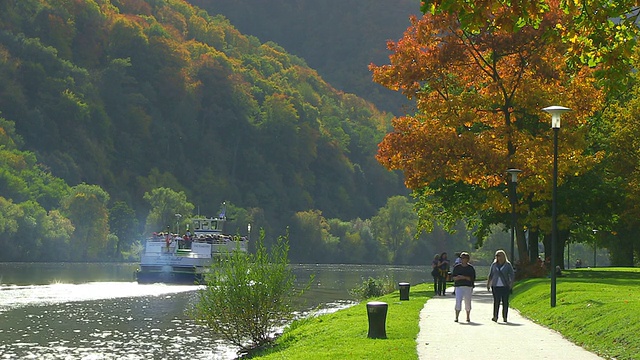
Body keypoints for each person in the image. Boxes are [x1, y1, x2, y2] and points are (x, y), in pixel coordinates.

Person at [486, 249, 515, 323]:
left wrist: (511, 284)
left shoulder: (508, 265)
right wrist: (488, 283)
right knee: (496, 301)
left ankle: (505, 317)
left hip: (505, 286)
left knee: (505, 302)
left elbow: (512, 275)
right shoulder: (494, 264)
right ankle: (495, 316)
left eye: (499, 255)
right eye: (496, 256)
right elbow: (491, 274)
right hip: (495, 286)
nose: (497, 257)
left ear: (503, 256)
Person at [452, 252, 475, 322]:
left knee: (467, 302)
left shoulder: (470, 268)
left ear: (467, 259)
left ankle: (468, 316)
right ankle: (456, 317)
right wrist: (459, 278)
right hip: (459, 286)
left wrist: (463, 277)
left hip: (468, 287)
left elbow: (471, 279)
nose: (463, 260)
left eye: (464, 258)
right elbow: (454, 278)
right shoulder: (457, 267)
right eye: (462, 258)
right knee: (458, 301)